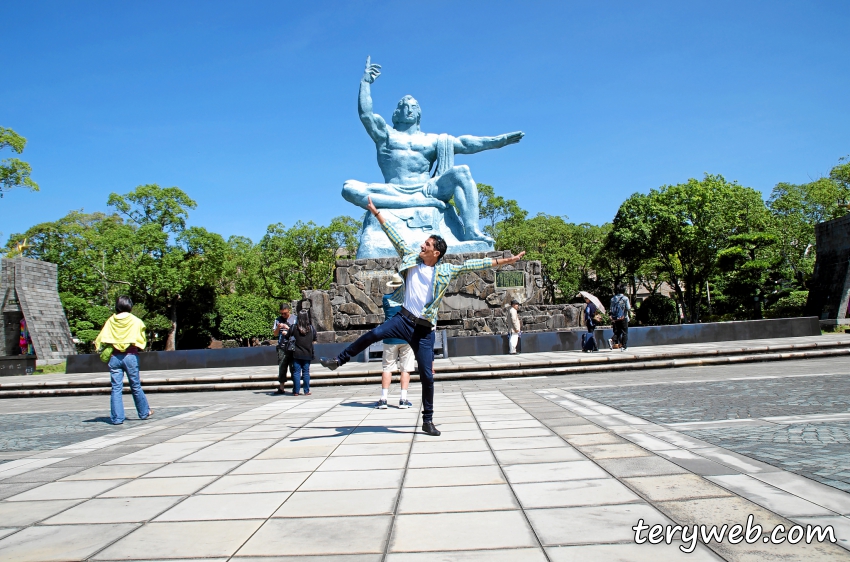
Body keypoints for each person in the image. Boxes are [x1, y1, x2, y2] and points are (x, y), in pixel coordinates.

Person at [321, 196, 526, 436]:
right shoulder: (410, 257)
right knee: (373, 334)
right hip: (402, 320)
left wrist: (506, 261)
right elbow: (394, 234)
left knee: (427, 376)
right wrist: (376, 212)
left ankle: (427, 420)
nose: (422, 246)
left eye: (427, 244)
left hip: (425, 330)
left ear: (436, 252)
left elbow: (477, 264)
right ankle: (339, 361)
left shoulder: (446, 269)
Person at [341, 57, 524, 243]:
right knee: (348, 188)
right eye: (404, 107)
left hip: (427, 190)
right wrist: (365, 83)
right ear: (396, 113)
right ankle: (412, 203)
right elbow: (366, 114)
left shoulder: (432, 140)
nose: (409, 110)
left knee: (462, 172)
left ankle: (472, 230)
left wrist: (497, 141)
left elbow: (466, 144)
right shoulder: (386, 135)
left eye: (414, 107)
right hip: (393, 190)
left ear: (419, 113)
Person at [95, 296, 152, 425]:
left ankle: (117, 418)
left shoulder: (111, 320)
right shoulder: (135, 321)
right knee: (135, 385)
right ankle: (144, 412)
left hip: (115, 357)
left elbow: (102, 338)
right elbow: (141, 337)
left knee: (116, 388)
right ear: (129, 305)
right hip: (130, 356)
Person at [378, 273, 414, 409]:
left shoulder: (386, 298)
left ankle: (383, 398)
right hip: (406, 336)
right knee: (406, 368)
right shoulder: (408, 299)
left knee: (387, 367)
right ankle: (403, 399)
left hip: (389, 335)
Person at [290, 310, 317, 396]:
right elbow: (314, 339)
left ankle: (296, 391)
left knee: (296, 372)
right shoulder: (311, 328)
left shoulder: (294, 328)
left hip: (296, 353)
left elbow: (287, 336)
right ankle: (306, 390)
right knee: (306, 372)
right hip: (307, 353)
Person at [273, 304, 296, 395]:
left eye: (285, 313)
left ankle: (296, 387)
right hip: (282, 347)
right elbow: (274, 334)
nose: (283, 315)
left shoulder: (295, 318)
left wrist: (288, 328)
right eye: (281, 313)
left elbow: (298, 331)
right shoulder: (278, 320)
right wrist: (278, 328)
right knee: (282, 367)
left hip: (292, 346)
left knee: (294, 367)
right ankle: (281, 387)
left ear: (289, 311)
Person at [608, 286, 631, 351]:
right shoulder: (625, 298)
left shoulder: (613, 299)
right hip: (623, 317)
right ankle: (624, 346)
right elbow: (628, 308)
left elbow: (611, 308)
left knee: (618, 331)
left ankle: (612, 339)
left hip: (616, 317)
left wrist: (611, 316)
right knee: (624, 332)